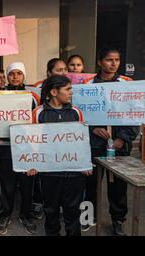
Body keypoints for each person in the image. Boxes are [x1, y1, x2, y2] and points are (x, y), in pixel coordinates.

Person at [83, 47, 138, 236]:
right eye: (108, 60)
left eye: (116, 60)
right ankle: (88, 217)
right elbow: (79, 115)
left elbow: (135, 114)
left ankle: (118, 221)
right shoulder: (87, 84)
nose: (113, 64)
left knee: (118, 187)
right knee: (89, 184)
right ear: (99, 62)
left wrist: (122, 138)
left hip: (118, 146)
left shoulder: (127, 84)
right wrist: (92, 129)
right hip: (93, 145)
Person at [31, 75, 92, 236]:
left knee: (73, 212)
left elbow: (82, 141)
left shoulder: (76, 113)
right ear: (53, 92)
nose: (71, 93)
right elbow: (31, 142)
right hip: (49, 174)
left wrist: (85, 164)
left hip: (74, 175)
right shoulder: (38, 113)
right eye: (67, 89)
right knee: (51, 212)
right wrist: (31, 164)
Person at [0, 62, 40, 235]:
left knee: (27, 183)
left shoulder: (33, 96)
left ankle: (26, 214)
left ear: (24, 76)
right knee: (7, 183)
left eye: (19, 73)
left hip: (27, 145)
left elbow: (37, 120)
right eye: (12, 73)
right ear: (7, 76)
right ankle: (5, 214)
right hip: (6, 146)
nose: (15, 76)